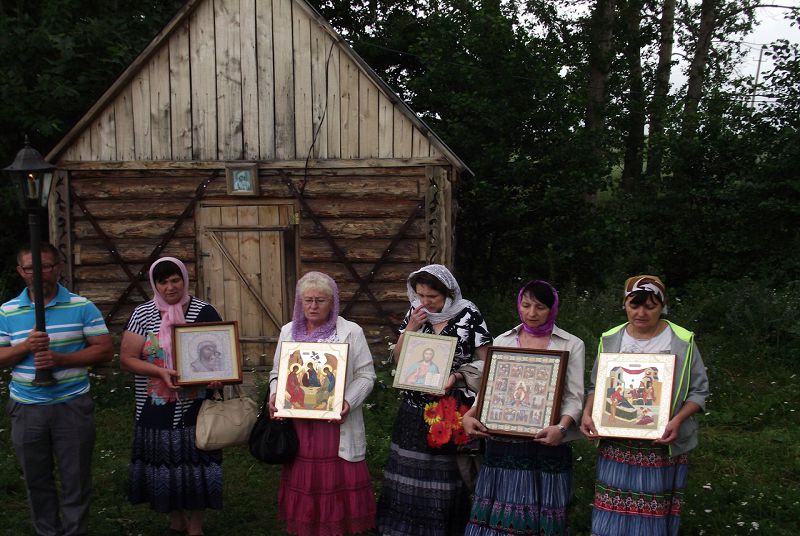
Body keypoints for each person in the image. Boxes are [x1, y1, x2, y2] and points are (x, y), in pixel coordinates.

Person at [580, 275, 709, 536]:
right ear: (624, 304)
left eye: (650, 306)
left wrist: (677, 421)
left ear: (662, 306)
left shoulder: (682, 340)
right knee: (612, 509)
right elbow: (597, 385)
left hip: (661, 443)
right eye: (634, 305)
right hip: (617, 442)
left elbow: (699, 391)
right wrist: (587, 412)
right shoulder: (611, 338)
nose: (641, 313)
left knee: (652, 511)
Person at [0, 242, 113, 536]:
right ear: (20, 271)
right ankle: (47, 531)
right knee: (36, 479)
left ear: (59, 267)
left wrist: (62, 359)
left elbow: (104, 350)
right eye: (30, 268)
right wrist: (25, 347)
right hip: (26, 407)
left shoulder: (81, 306)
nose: (38, 274)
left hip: (71, 405)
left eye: (46, 267)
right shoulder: (7, 311)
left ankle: (75, 531)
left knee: (76, 478)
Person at [461, 280, 585, 536]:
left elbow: (574, 396)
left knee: (541, 511)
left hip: (547, 442)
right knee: (500, 511)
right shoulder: (504, 340)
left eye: (540, 307)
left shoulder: (571, 344)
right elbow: (490, 387)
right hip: (503, 443)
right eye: (526, 305)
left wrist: (561, 429)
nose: (531, 313)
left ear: (552, 308)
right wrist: (470, 415)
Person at [377, 264, 493, 536]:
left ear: (448, 293)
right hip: (414, 408)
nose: (425, 302)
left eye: (432, 297)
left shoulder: (468, 314)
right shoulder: (416, 313)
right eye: (420, 295)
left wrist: (457, 377)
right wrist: (411, 328)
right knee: (409, 470)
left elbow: (488, 361)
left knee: (445, 474)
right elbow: (398, 360)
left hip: (450, 409)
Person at [119, 257, 224, 536]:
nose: (170, 287)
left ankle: (196, 525)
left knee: (199, 463)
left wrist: (218, 377)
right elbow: (127, 359)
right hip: (156, 405)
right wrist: (159, 371)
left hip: (197, 407)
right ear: (155, 285)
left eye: (175, 280)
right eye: (163, 281)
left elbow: (221, 355)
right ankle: (176, 520)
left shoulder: (204, 312)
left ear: (184, 280)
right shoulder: (143, 314)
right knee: (164, 464)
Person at [268, 271, 376, 535]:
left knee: (335, 481)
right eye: (308, 300)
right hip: (299, 427)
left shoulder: (350, 332)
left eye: (320, 300)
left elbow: (366, 376)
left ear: (333, 302)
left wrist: (347, 401)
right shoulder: (288, 331)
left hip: (336, 426)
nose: (313, 306)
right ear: (300, 302)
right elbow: (276, 373)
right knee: (305, 480)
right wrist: (275, 395)